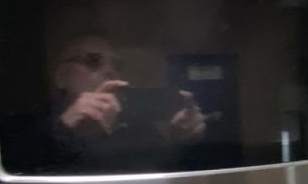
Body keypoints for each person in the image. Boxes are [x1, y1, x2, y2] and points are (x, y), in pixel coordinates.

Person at [11, 33, 205, 173]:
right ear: (62, 77)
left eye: (116, 65)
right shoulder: (30, 127)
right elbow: (19, 171)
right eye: (93, 61)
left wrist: (178, 140)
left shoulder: (137, 130)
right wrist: (65, 127)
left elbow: (164, 180)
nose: (110, 71)